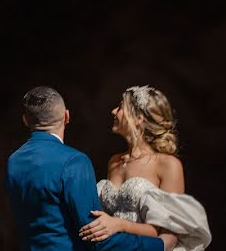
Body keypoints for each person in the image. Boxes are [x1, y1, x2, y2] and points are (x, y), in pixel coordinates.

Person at [6, 86, 163, 251]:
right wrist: (159, 245)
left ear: (25, 120)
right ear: (66, 116)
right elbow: (94, 236)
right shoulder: (74, 161)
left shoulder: (13, 161)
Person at [79, 86, 211, 251]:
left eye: (120, 107)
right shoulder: (114, 162)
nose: (113, 111)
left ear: (138, 119)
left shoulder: (168, 165)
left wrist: (119, 225)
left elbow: (168, 233)